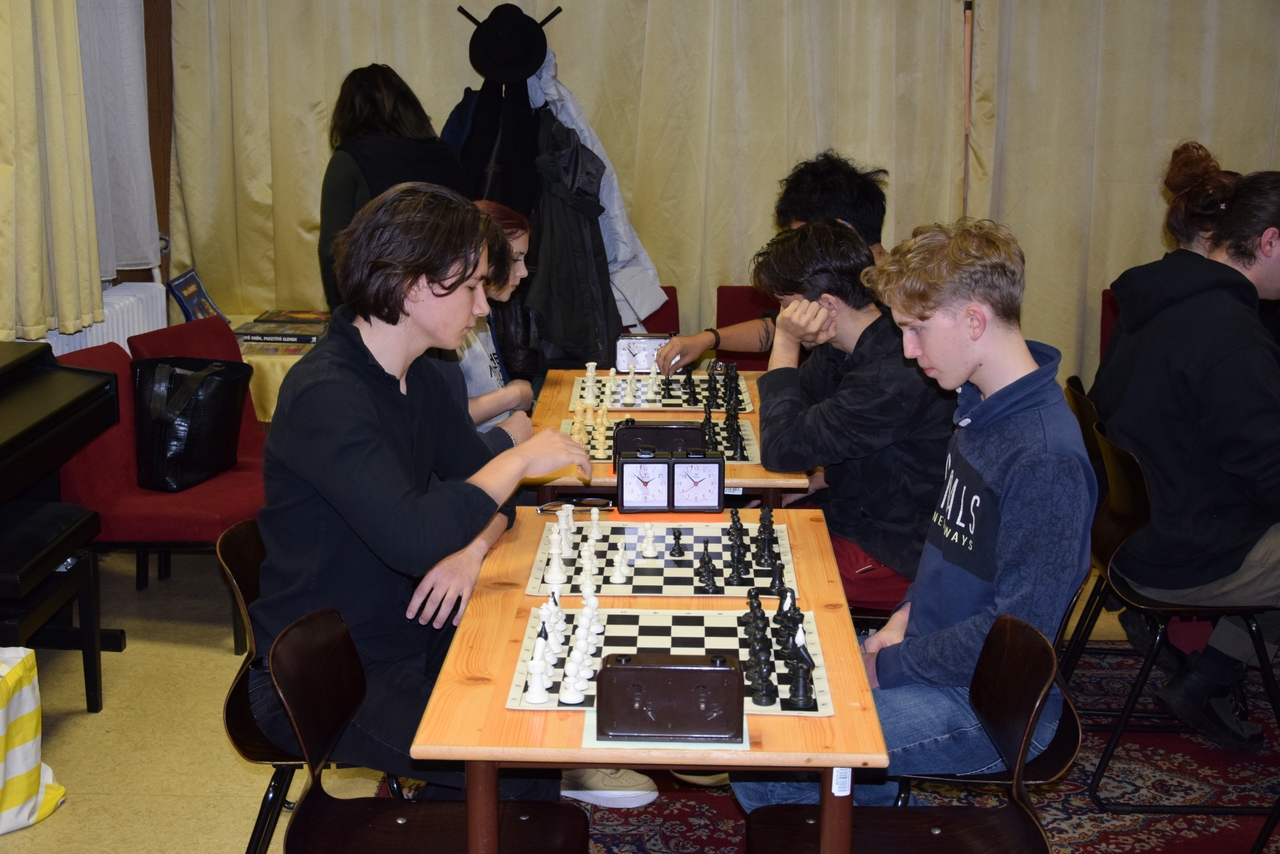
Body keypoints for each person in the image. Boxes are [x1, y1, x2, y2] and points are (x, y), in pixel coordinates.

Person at [731, 219, 1096, 810]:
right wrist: (900, 619)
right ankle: (884, 813)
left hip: (988, 704)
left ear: (974, 320)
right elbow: (947, 546)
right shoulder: (978, 407)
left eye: (916, 329)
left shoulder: (1043, 457)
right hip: (929, 651)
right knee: (763, 691)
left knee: (769, 756)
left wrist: (893, 664)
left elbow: (1017, 636)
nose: (907, 351)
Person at [249, 183, 593, 799]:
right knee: (517, 760)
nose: (483, 307)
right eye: (471, 287)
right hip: (327, 672)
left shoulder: (426, 376)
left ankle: (450, 811)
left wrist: (471, 551)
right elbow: (413, 536)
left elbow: (489, 499)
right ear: (413, 287)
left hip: (410, 628)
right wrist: (518, 459)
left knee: (539, 698)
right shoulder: (327, 395)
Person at [1088, 168, 1280, 751]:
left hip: (1130, 527)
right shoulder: (1229, 330)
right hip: (1179, 549)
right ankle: (1211, 678)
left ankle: (1209, 666)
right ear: (1270, 242)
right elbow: (1270, 476)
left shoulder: (1156, 298)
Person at [751, 220, 955, 610]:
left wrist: (787, 340)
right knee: (743, 521)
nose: (782, 316)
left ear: (826, 305)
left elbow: (781, 450)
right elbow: (786, 415)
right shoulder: (846, 345)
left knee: (748, 572)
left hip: (893, 551)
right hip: (852, 513)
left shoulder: (891, 375)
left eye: (786, 306)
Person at [655, 151, 889, 374]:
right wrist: (708, 339)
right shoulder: (845, 280)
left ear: (839, 230)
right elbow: (779, 326)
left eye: (801, 238)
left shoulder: (898, 309)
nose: (795, 250)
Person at [319, 64, 470, 311]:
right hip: (442, 304)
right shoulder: (445, 156)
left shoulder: (348, 160)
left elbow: (331, 251)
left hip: (379, 309)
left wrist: (342, 316)